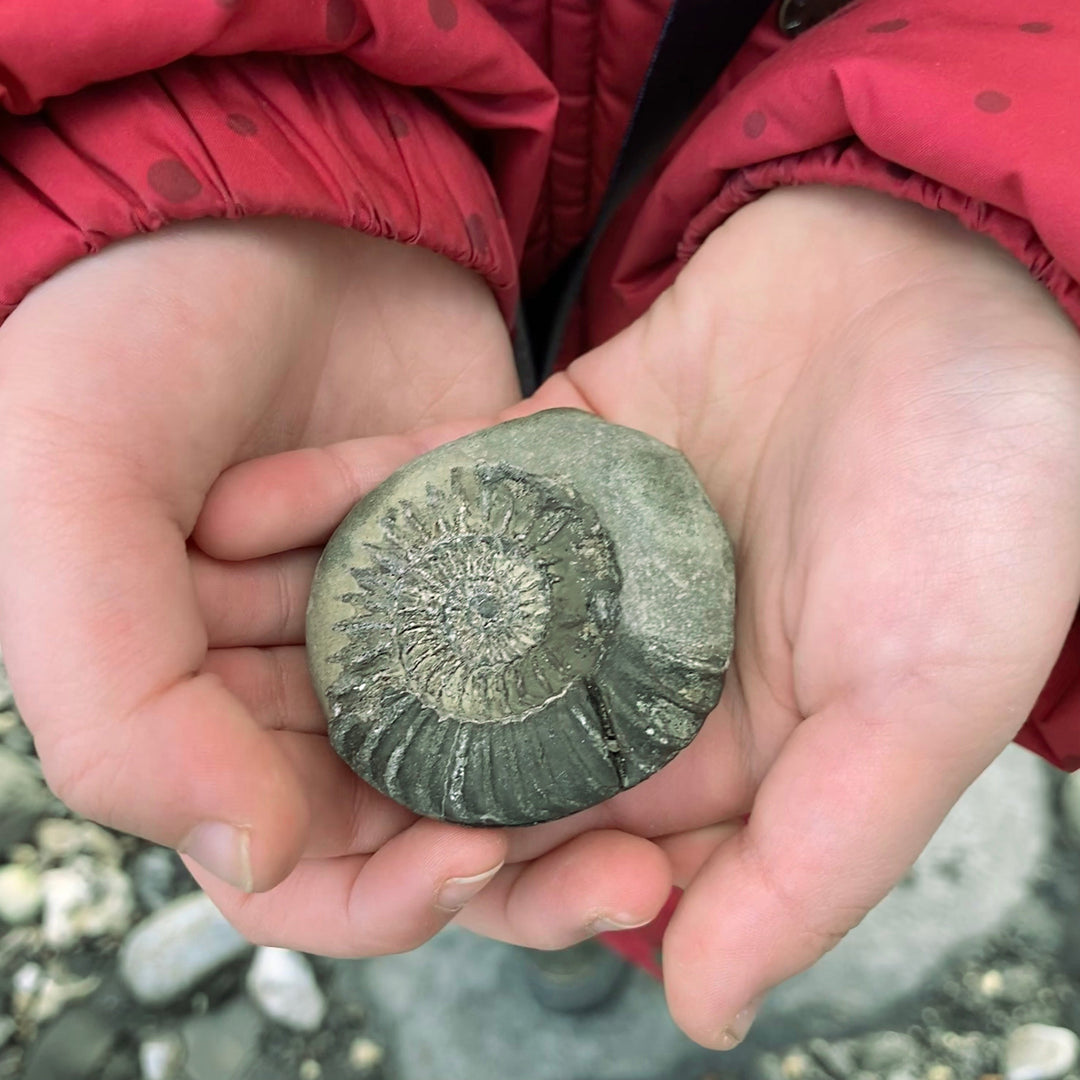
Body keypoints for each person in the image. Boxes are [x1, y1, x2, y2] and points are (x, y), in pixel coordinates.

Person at [0, 0, 1078, 1053]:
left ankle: (600, 945)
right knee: (541, 861)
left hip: (767, 339)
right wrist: (180, 124)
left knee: (656, 842)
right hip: (420, 213)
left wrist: (997, 235)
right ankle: (581, 944)